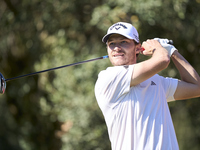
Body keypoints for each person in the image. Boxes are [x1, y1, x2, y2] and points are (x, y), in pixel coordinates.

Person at [94, 22, 200, 150]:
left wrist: (172, 51)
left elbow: (196, 87)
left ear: (138, 48)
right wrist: (158, 47)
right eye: (111, 44)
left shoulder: (157, 81)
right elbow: (162, 60)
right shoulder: (108, 77)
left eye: (123, 42)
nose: (116, 48)